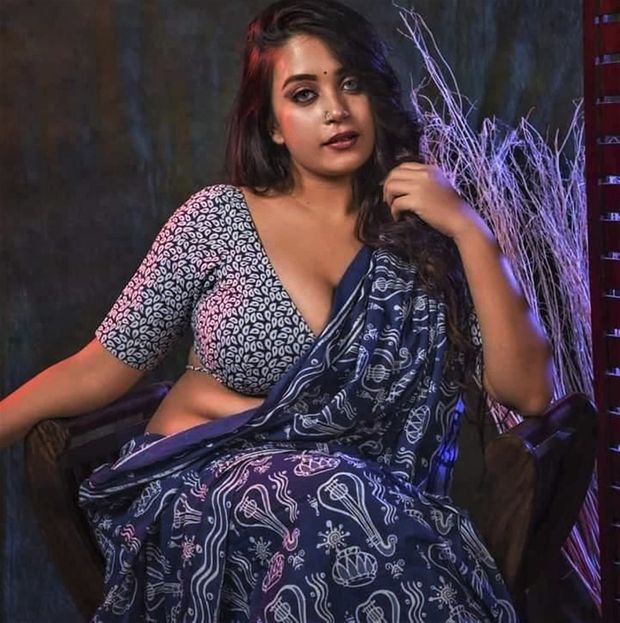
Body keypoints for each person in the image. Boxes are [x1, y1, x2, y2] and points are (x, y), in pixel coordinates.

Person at [1, 0, 554, 620]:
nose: (336, 110)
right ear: (272, 125)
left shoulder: (422, 241)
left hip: (366, 521)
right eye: (304, 94)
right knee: (334, 500)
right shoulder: (216, 220)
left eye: (350, 83)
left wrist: (471, 230)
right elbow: (98, 367)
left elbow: (530, 392)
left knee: (348, 515)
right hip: (202, 501)